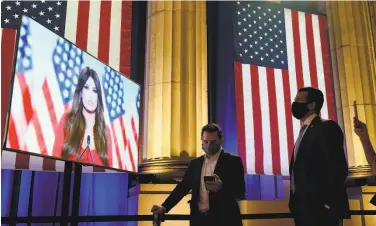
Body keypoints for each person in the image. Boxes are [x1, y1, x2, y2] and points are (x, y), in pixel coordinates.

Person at [151, 123, 245, 226]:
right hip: (199, 221)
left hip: (225, 220)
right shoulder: (195, 164)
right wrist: (164, 207)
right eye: (205, 142)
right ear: (201, 141)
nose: (209, 145)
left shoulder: (233, 161)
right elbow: (183, 187)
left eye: (213, 142)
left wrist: (221, 187)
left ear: (221, 140)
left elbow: (240, 192)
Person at [289, 87, 350, 226]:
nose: (294, 104)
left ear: (312, 105)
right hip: (302, 209)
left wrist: (327, 203)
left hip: (320, 210)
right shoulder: (304, 131)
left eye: (298, 100)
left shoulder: (326, 127)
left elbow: (337, 167)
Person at [52, 67, 112, 167]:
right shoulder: (67, 121)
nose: (90, 96)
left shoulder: (105, 131)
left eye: (95, 90)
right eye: (86, 87)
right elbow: (54, 163)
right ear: (80, 92)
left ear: (99, 96)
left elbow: (110, 172)